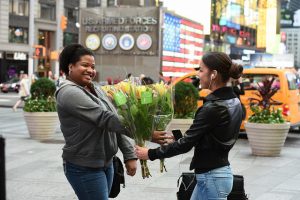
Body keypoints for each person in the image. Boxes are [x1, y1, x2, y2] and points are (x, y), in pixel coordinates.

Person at [135, 52, 244, 200]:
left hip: (211, 178)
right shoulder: (235, 102)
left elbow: (186, 145)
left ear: (214, 74)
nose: (197, 74)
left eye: (201, 70)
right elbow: (215, 135)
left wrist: (150, 154)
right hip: (216, 174)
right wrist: (181, 137)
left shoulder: (212, 107)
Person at [55, 44, 137, 200]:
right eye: (84, 65)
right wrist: (144, 132)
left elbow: (113, 120)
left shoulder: (95, 88)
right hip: (84, 167)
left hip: (107, 163)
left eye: (92, 66)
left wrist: (129, 155)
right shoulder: (68, 92)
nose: (91, 70)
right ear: (70, 66)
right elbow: (104, 118)